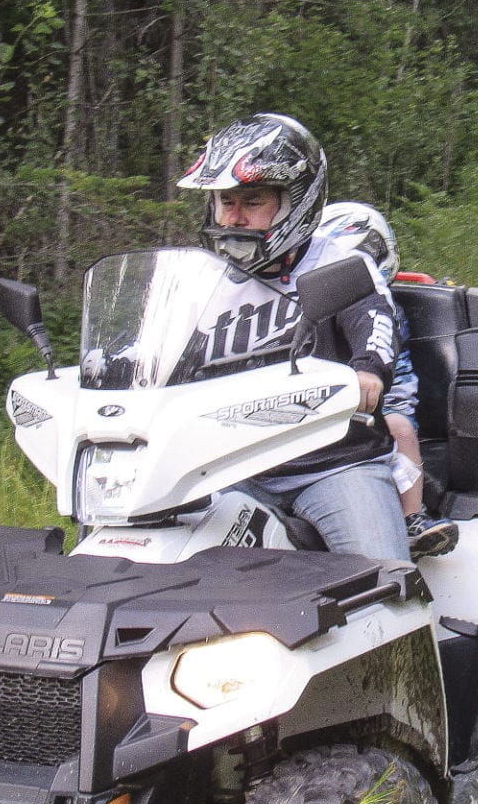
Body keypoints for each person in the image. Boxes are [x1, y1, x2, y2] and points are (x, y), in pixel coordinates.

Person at [175, 113, 410, 563]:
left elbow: (376, 323)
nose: (235, 217)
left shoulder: (339, 265)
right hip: (228, 462)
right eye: (226, 202)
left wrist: (368, 371)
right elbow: (158, 349)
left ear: (295, 202)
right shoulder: (199, 279)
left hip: (331, 464)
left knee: (385, 579)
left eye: (253, 201)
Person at [317, 202, 458, 559]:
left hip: (387, 398)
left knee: (399, 429)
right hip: (325, 404)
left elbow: (374, 343)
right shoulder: (312, 306)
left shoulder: (382, 308)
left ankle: (413, 517)